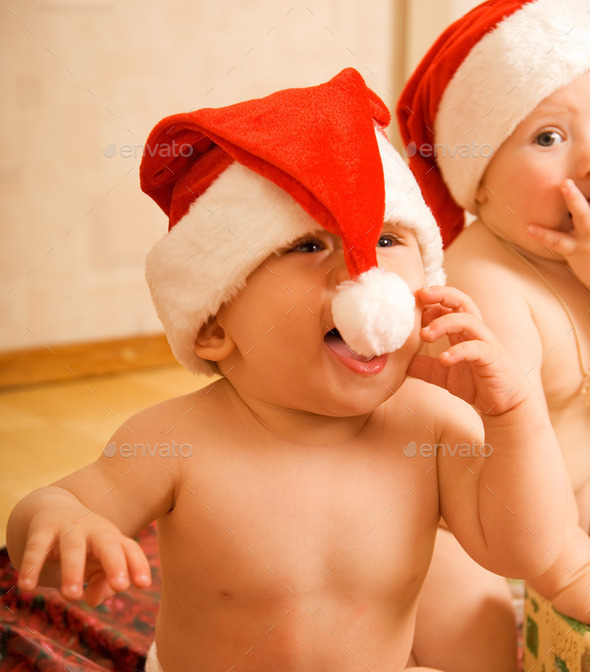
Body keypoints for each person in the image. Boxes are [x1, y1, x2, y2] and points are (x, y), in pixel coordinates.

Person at [6, 68, 573, 672]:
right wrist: (62, 522)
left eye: (385, 239)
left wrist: (515, 417)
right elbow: (54, 508)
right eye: (307, 246)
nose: (359, 274)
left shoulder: (431, 428)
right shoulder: (175, 442)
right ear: (214, 326)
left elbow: (525, 550)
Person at [397, 0, 590, 624]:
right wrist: (571, 578)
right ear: (475, 179)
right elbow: (497, 466)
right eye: (548, 138)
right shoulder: (485, 287)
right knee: (459, 611)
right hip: (512, 553)